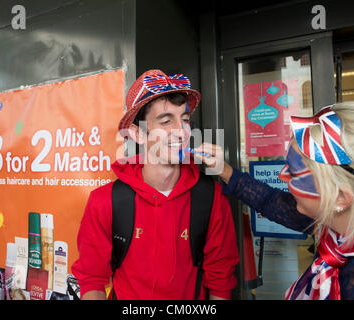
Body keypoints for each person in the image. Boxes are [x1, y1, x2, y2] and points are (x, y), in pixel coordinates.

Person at [194, 101, 354, 300]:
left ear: (340, 197)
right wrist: (224, 170)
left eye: (294, 173)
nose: (282, 175)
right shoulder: (333, 227)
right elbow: (269, 200)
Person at [72, 69, 239, 300]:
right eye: (166, 120)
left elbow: (221, 282)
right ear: (137, 134)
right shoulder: (104, 201)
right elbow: (92, 280)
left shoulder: (211, 197)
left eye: (185, 119)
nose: (181, 132)